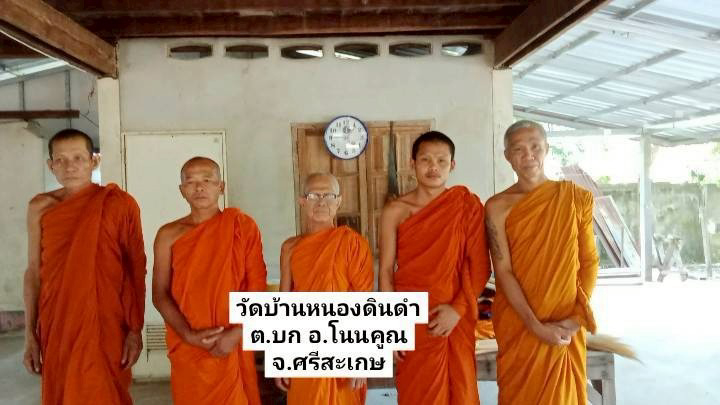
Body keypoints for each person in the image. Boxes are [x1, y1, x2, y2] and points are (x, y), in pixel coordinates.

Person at [23, 129, 146, 404]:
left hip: (106, 320)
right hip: (58, 320)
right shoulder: (40, 207)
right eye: (61, 160)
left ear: (94, 161)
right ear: (51, 165)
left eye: (78, 158)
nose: (70, 166)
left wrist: (135, 329)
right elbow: (33, 271)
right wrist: (30, 334)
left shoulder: (119, 204)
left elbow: (135, 270)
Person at [485, 120, 598, 404]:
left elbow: (589, 262)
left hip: (565, 321)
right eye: (518, 149)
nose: (528, 155)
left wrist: (575, 320)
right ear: (507, 156)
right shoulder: (497, 206)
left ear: (547, 149)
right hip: (519, 322)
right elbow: (503, 271)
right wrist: (534, 326)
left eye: (535, 147)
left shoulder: (575, 198)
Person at [379, 131, 490, 405]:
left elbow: (480, 267)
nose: (433, 167)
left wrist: (457, 310)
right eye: (425, 160)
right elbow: (386, 271)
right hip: (412, 316)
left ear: (452, 165)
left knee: (461, 391)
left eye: (441, 161)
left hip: (455, 317)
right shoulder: (395, 211)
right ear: (412, 163)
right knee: (418, 392)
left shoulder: (466, 205)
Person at [152, 157, 266, 405]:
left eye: (207, 180)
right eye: (190, 182)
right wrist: (188, 334)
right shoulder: (168, 235)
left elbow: (257, 288)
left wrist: (238, 333)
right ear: (181, 190)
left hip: (232, 340)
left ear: (220, 187)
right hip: (189, 343)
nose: (199, 187)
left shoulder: (242, 227)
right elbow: (160, 294)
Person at [275, 173, 373, 405]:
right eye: (313, 196)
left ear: (339, 201)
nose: (321, 202)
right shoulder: (290, 248)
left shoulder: (352, 243)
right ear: (302, 201)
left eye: (328, 196)